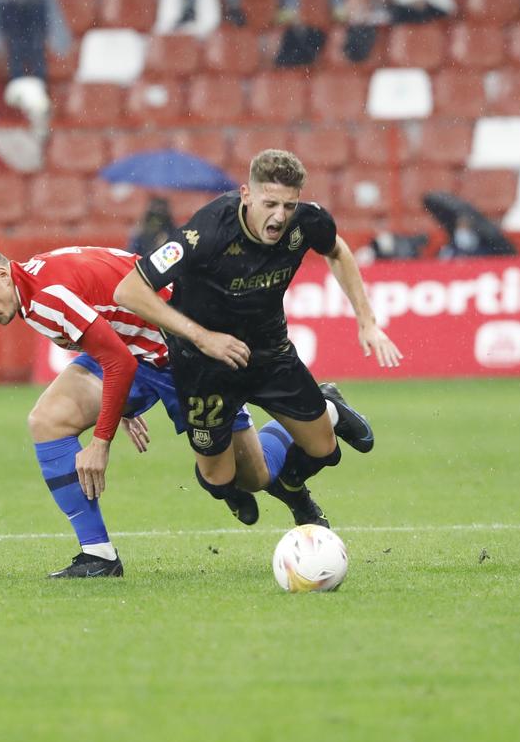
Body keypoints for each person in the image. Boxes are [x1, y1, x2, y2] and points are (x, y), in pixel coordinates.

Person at [0, 243, 322, 578]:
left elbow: (119, 363)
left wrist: (101, 442)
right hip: (137, 353)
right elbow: (109, 335)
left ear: (0, 274)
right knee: (47, 420)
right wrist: (122, 404)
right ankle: (98, 555)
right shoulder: (29, 286)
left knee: (250, 476)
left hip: (187, 352)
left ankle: (322, 414)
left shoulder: (45, 297)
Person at [111, 149, 401, 525]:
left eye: (288, 205)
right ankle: (231, 491)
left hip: (269, 354)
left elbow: (338, 250)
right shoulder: (206, 232)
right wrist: (203, 338)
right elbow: (129, 290)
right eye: (270, 204)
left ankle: (295, 488)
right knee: (225, 478)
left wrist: (367, 321)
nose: (280, 216)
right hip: (204, 365)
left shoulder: (307, 221)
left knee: (324, 448)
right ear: (247, 195)